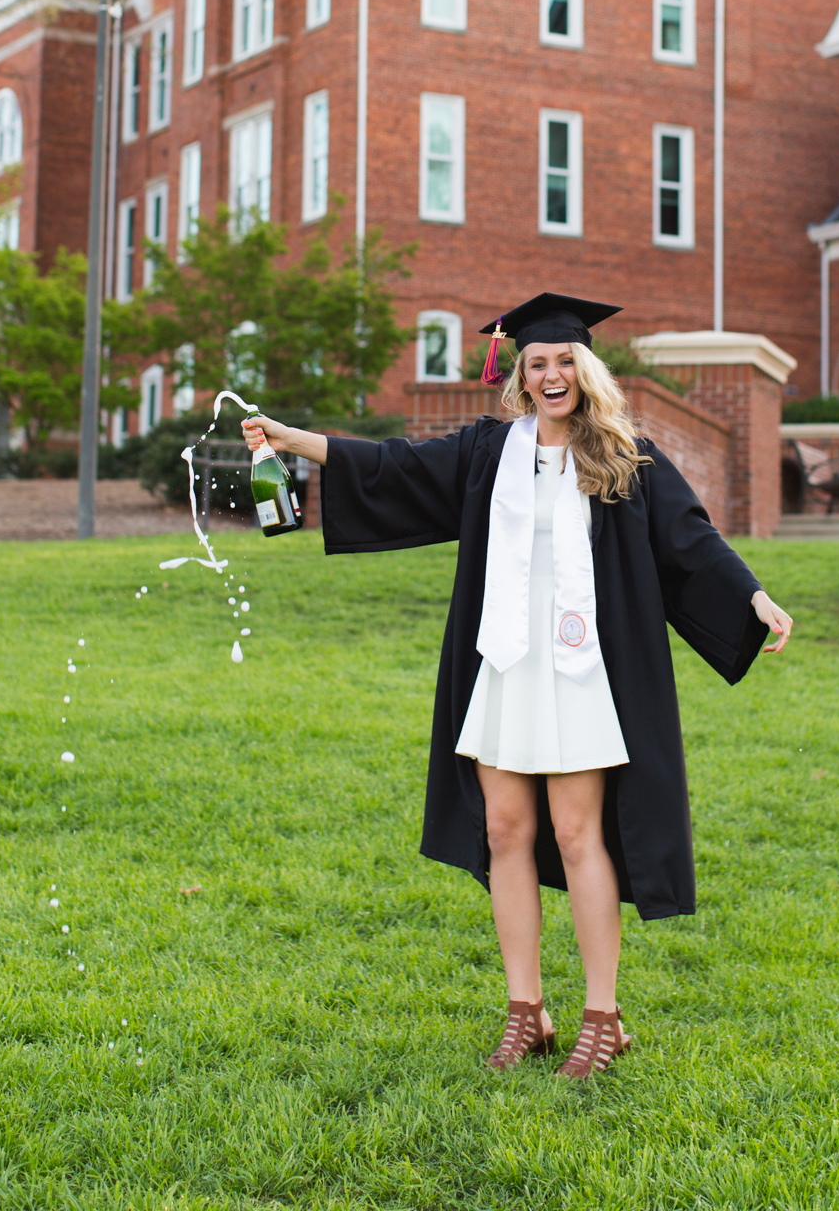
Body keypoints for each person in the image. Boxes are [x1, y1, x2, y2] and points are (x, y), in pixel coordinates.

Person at [242, 291, 792, 1079]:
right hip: (504, 662)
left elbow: (689, 535)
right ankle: (526, 1011)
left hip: (580, 670)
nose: (552, 374)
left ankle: (603, 1017)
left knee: (577, 834)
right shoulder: (488, 452)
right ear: (521, 377)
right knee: (504, 829)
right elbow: (394, 462)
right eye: (538, 363)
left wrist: (752, 597)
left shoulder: (623, 452)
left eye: (565, 360)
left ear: (586, 369)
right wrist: (291, 438)